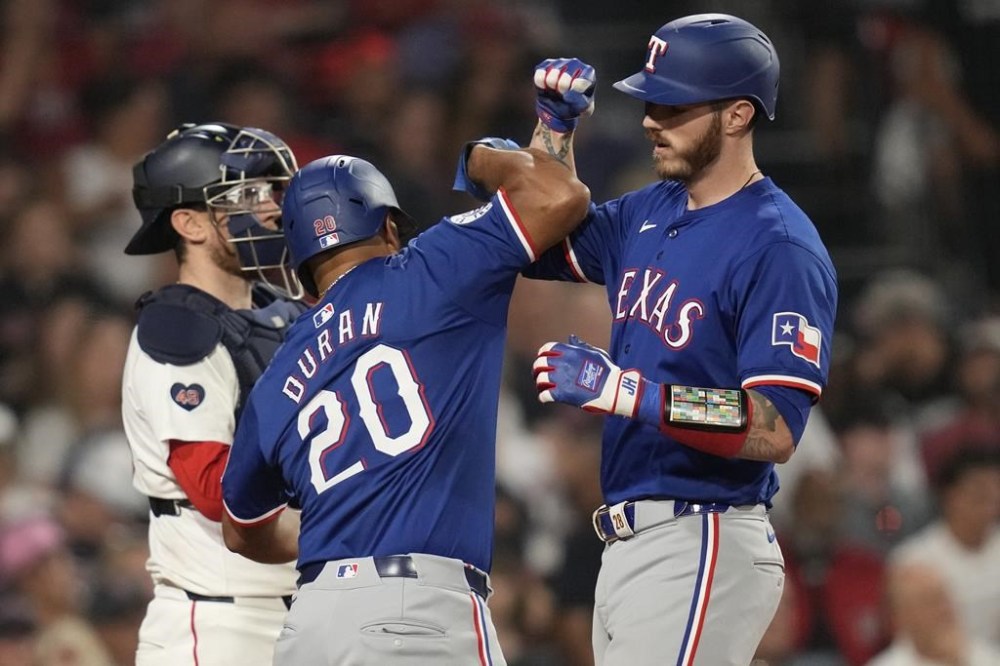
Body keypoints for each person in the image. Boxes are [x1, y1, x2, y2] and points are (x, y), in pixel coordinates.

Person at [525, 13, 839, 666]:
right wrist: (553, 133)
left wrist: (625, 391)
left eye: (672, 105)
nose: (649, 119)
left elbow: (773, 426)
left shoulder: (777, 245)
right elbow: (537, 239)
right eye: (649, 102)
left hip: (704, 533)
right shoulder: (652, 208)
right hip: (634, 543)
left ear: (737, 115)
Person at [219, 138, 592, 662]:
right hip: (413, 611)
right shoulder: (432, 267)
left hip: (311, 623)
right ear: (389, 226)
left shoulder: (277, 374)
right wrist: (476, 158)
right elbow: (560, 196)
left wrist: (346, 537)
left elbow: (240, 529)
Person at [120, 122, 306, 665]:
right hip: (222, 624)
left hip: (306, 608)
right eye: (246, 196)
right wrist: (350, 518)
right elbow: (216, 490)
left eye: (272, 191)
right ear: (190, 223)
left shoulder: (287, 313)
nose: (271, 208)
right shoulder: (177, 329)